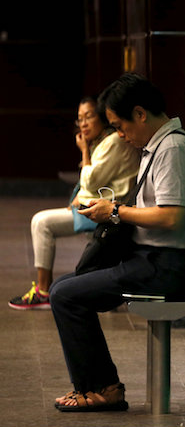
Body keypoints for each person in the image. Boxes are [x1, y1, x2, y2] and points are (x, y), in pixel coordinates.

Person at [50, 73, 185, 412]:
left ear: (140, 113)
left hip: (166, 265)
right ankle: (101, 384)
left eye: (120, 126)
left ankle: (103, 388)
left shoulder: (174, 149)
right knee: (65, 286)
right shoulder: (158, 146)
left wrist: (116, 210)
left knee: (65, 295)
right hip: (151, 258)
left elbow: (171, 216)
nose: (121, 135)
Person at [8, 96, 140, 310]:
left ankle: (43, 292)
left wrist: (84, 150)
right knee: (42, 221)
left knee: (41, 222)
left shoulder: (113, 141)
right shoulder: (104, 141)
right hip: (101, 206)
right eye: (80, 119)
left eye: (89, 116)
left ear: (102, 117)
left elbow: (90, 180)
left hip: (109, 212)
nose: (84, 123)